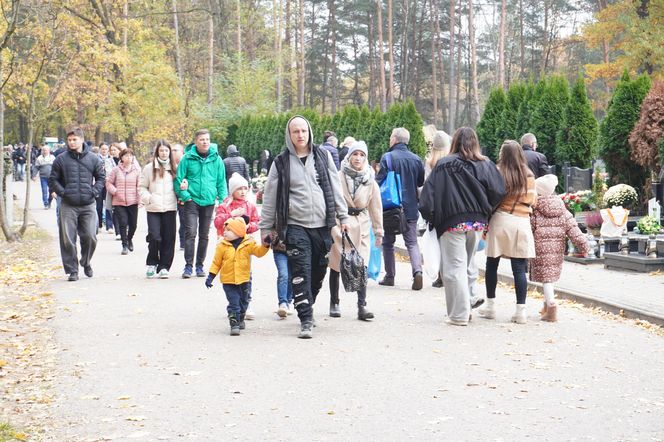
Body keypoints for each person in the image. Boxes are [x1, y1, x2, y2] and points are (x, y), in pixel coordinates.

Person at [259, 115, 349, 339]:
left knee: (318, 272)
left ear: (309, 132)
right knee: (300, 271)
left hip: (322, 226)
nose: (300, 135)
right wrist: (265, 228)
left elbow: (335, 187)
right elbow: (270, 196)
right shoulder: (281, 162)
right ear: (289, 135)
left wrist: (343, 216)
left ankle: (306, 303)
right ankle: (306, 319)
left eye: (303, 131)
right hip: (295, 226)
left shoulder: (323, 155)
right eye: (295, 131)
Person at [420, 127, 506, 326]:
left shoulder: (443, 165)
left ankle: (459, 314)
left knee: (454, 269)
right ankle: (466, 304)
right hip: (476, 223)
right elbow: (499, 190)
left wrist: (433, 218)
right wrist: (486, 211)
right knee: (466, 264)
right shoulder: (485, 164)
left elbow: (427, 198)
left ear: (455, 142)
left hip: (451, 222)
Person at [480, 140, 538, 324]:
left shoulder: (497, 172)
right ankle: (520, 311)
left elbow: (489, 197)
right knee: (519, 269)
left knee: (492, 263)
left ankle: (490, 306)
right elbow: (533, 201)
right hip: (521, 221)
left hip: (499, 219)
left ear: (502, 155)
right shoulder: (528, 175)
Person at [327, 140, 383, 320]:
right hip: (340, 223)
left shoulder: (370, 179)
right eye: (355, 154)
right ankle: (334, 301)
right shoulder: (337, 176)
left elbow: (376, 207)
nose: (358, 158)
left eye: (361, 155)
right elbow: (330, 201)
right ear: (349, 156)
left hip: (362, 224)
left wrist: (379, 231)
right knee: (336, 264)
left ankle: (362, 306)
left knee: (362, 266)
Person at [48, 127, 105, 281]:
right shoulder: (61, 159)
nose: (72, 142)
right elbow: (53, 180)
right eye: (69, 140)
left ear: (81, 139)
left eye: (75, 139)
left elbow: (101, 178)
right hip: (68, 204)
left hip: (88, 204)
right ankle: (72, 270)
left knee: (90, 236)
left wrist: (94, 192)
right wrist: (63, 192)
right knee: (67, 238)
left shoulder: (94, 159)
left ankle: (86, 262)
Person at [530, 174, 589, 322]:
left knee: (547, 279)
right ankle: (546, 306)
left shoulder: (535, 209)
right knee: (549, 277)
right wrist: (584, 246)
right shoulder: (562, 209)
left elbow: (529, 228)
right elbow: (574, 229)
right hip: (556, 249)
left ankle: (551, 307)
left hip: (540, 248)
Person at [376, 127, 425, 290]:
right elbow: (420, 182)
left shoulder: (388, 158)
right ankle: (417, 271)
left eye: (391, 137)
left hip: (390, 208)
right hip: (410, 207)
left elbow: (379, 182)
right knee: (412, 242)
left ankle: (390, 276)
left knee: (388, 242)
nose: (390, 139)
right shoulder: (416, 159)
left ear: (395, 139)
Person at [175, 129, 227, 278]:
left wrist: (223, 201)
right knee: (190, 233)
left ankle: (199, 265)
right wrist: (186, 196)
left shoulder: (217, 159)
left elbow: (221, 181)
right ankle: (188, 266)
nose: (205, 142)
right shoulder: (187, 158)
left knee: (204, 235)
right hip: (192, 200)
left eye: (207, 139)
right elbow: (178, 179)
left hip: (209, 201)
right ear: (196, 142)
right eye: (202, 139)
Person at [205, 217, 269, 336]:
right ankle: (234, 323)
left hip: (244, 279)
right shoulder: (222, 246)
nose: (225, 232)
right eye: (224, 229)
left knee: (244, 301)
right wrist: (210, 276)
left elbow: (259, 252)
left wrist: (266, 245)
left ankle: (241, 317)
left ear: (238, 232)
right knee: (234, 302)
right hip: (228, 281)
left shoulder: (248, 243)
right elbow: (216, 263)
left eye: (228, 230)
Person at [214, 172, 260, 319]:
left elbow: (257, 221)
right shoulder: (225, 205)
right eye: (239, 188)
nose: (243, 192)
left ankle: (246, 302)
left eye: (245, 188)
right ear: (232, 190)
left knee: (246, 272)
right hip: (227, 244)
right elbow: (217, 222)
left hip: (245, 244)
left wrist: (248, 226)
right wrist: (231, 215)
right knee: (230, 273)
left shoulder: (250, 206)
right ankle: (234, 304)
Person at [140, 140, 178, 278]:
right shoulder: (149, 168)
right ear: (157, 152)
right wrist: (148, 198)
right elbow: (142, 186)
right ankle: (152, 262)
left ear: (170, 152)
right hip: (153, 207)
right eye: (161, 150)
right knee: (154, 236)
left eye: (166, 151)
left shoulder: (175, 168)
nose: (164, 153)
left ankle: (164, 266)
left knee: (169, 238)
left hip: (170, 207)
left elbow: (180, 185)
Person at [424, 130, 452, 288]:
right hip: (449, 206)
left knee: (437, 242)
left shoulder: (429, 162)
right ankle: (448, 273)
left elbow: (426, 185)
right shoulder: (451, 161)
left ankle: (440, 275)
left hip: (435, 207)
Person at [107, 148, 141, 255]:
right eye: (126, 156)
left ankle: (129, 238)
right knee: (123, 223)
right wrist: (115, 191)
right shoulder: (116, 170)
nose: (129, 158)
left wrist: (140, 199)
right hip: (119, 201)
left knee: (133, 225)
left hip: (133, 201)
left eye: (131, 156)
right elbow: (109, 183)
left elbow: (140, 186)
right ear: (121, 157)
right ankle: (124, 245)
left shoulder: (136, 170)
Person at [170, 143, 186, 250]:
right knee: (169, 221)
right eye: (173, 150)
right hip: (169, 196)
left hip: (182, 195)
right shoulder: (168, 165)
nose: (174, 152)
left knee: (184, 220)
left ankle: (183, 242)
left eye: (176, 150)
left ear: (182, 152)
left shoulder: (186, 164)